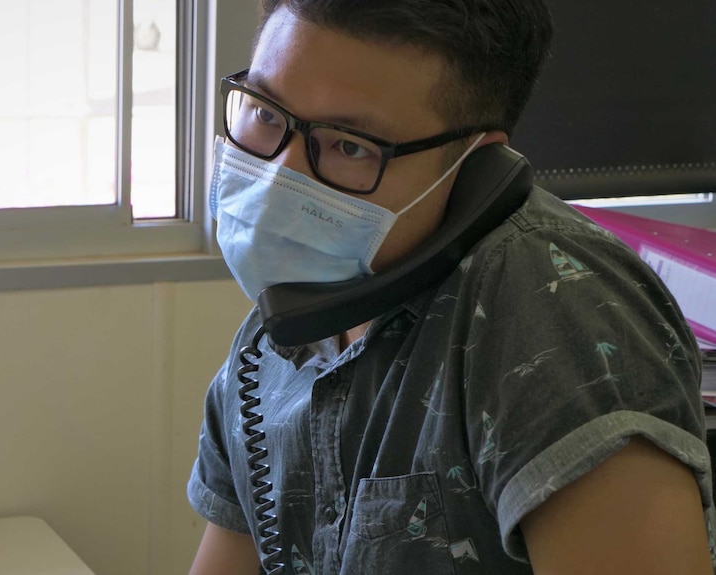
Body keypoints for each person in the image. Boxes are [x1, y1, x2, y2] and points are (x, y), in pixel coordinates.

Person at [187, 1, 716, 573]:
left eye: (350, 147)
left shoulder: (555, 316)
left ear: (470, 163)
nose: (277, 177)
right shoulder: (275, 336)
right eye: (266, 115)